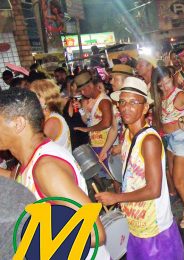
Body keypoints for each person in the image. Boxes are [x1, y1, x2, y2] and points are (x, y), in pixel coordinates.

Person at [0, 88, 109, 258]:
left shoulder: (46, 168)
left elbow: (95, 233)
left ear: (19, 124)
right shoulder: (28, 160)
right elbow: (18, 180)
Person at [95, 77, 184, 259]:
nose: (125, 107)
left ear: (145, 108)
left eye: (133, 102)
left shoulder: (150, 141)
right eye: (122, 102)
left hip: (154, 228)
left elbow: (154, 189)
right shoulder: (128, 134)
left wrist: (117, 197)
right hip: (136, 221)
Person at [152, 66, 184, 228]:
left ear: (172, 78)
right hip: (170, 140)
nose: (165, 86)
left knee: (178, 181)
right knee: (178, 178)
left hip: (183, 140)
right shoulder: (161, 97)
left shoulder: (179, 95)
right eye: (161, 85)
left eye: (167, 82)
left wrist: (183, 119)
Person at [74, 72, 113, 186]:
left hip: (105, 143)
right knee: (107, 175)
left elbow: (106, 123)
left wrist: (88, 130)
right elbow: (88, 121)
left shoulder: (104, 101)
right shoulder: (92, 101)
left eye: (83, 90)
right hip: (96, 143)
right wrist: (81, 109)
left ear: (90, 86)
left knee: (112, 176)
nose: (82, 93)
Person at [29, 79, 72, 152]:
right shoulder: (47, 117)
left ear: (46, 98)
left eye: (33, 96)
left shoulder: (53, 121)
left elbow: (33, 148)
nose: (30, 101)